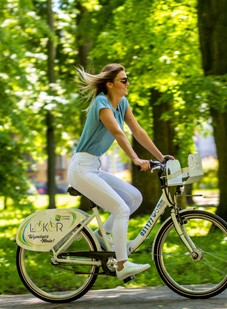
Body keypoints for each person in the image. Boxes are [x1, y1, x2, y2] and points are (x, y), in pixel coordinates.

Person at [67, 64, 174, 281]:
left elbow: (136, 130)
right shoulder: (101, 103)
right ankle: (122, 265)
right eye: (123, 80)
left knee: (134, 197)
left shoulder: (122, 103)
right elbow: (117, 132)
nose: (127, 84)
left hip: (93, 167)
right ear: (110, 84)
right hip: (81, 168)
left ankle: (100, 236)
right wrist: (135, 159)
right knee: (121, 209)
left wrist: (161, 157)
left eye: (127, 79)